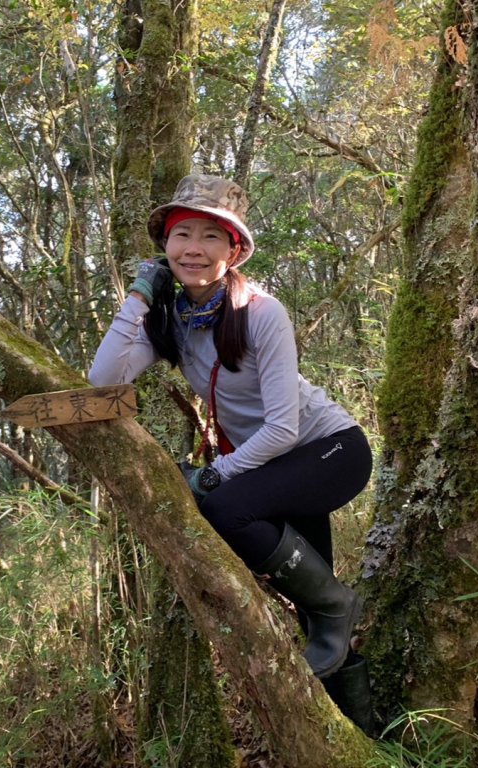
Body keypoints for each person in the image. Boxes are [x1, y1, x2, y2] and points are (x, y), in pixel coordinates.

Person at [89, 174, 374, 734]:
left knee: (222, 508)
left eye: (210, 237)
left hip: (329, 450)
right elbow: (103, 381)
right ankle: (362, 736)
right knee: (312, 605)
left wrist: (217, 474)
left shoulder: (262, 313)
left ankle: (340, 606)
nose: (193, 248)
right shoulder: (173, 318)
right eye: (181, 234)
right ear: (165, 247)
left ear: (233, 249)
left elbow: (285, 427)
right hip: (274, 465)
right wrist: (139, 297)